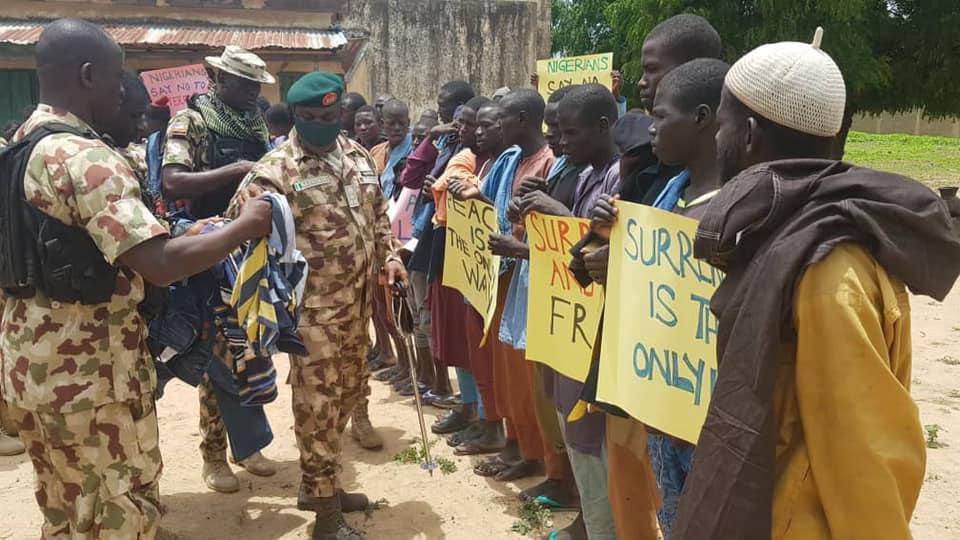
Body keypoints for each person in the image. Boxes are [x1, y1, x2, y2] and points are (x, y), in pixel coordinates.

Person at [670, 28, 960, 540]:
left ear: (749, 134)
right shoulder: (785, 232)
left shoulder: (828, 272)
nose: (716, 139)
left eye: (722, 125)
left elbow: (863, 458)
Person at [2, 18, 272, 538]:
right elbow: (160, 263)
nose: (125, 92)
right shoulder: (85, 157)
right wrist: (244, 226)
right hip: (90, 371)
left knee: (66, 506)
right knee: (119, 510)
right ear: (88, 76)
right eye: (116, 78)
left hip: (35, 364)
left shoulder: (22, 144)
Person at [229, 71, 407, 540]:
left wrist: (389, 256)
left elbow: (378, 215)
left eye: (330, 117)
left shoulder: (357, 156)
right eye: (311, 117)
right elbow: (236, 226)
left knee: (348, 396)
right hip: (312, 317)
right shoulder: (276, 169)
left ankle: (320, 485)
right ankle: (326, 515)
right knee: (318, 409)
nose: (322, 125)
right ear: (295, 116)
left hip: (358, 309)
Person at [581, 13, 724, 540]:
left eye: (653, 72)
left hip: (701, 404)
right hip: (656, 385)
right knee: (667, 502)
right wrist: (606, 244)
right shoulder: (661, 177)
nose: (643, 85)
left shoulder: (734, 203)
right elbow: (632, 261)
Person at [161, 44, 279, 492]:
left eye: (257, 85)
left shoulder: (255, 123)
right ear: (220, 79)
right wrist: (237, 170)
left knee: (251, 351)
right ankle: (214, 454)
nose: (253, 92)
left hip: (251, 251)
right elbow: (172, 182)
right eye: (246, 83)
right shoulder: (191, 121)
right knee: (218, 355)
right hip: (208, 250)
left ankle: (247, 446)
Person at [369, 98, 413, 200]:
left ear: (408, 123)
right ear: (382, 124)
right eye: (391, 123)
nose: (397, 128)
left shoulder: (415, 151)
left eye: (401, 123)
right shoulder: (375, 152)